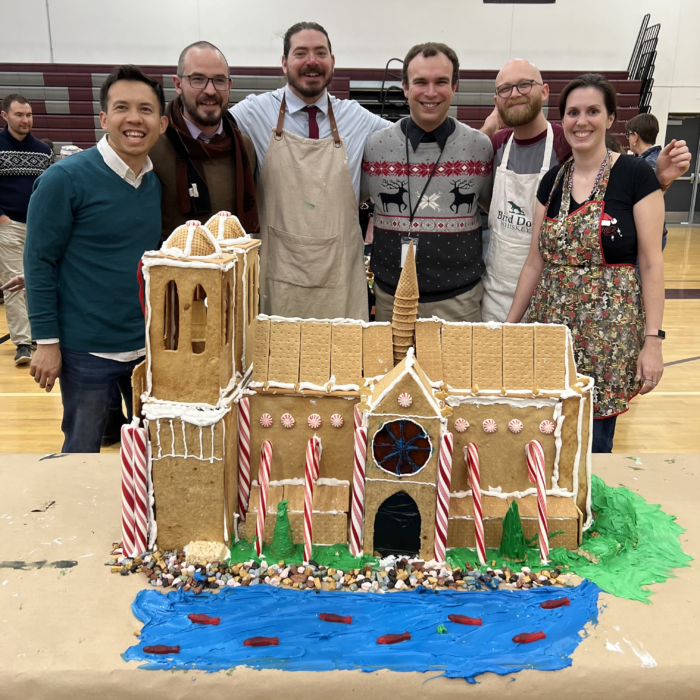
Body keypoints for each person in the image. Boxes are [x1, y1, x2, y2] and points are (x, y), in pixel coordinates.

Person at [506, 74, 666, 454]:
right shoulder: (552, 182)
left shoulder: (635, 175)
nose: (582, 121)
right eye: (573, 112)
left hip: (609, 340)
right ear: (563, 121)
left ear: (610, 118)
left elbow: (651, 264)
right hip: (550, 332)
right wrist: (509, 327)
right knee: (543, 434)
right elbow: (534, 262)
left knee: (592, 447)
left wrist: (653, 342)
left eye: (593, 111)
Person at [24, 65, 168, 453]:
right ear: (104, 118)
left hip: (144, 349)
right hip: (85, 351)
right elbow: (39, 261)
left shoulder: (154, 183)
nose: (134, 119)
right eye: (122, 107)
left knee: (150, 452)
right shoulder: (64, 179)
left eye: (146, 109)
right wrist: (46, 342)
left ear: (162, 123)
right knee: (82, 451)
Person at [480, 59, 691, 322]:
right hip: (499, 291)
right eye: (505, 89)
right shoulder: (497, 146)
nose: (515, 94)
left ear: (544, 91)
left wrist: (658, 180)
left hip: (569, 305)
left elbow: (620, 195)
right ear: (496, 99)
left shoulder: (568, 143)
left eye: (524, 85)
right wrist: (488, 128)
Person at [230, 21, 391, 321]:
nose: (312, 61)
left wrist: (484, 131)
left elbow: (408, 142)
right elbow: (204, 131)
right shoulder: (253, 112)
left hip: (340, 280)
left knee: (342, 363)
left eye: (320, 53)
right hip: (278, 281)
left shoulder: (357, 118)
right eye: (301, 53)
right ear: (284, 63)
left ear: (332, 61)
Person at [362, 42, 492, 322]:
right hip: (390, 301)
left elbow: (497, 213)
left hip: (460, 303)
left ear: (455, 86)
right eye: (420, 82)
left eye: (441, 82)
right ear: (406, 88)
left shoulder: (480, 147)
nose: (430, 92)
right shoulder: (375, 147)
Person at [149, 41, 259, 245]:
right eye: (197, 79)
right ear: (178, 84)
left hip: (231, 272)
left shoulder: (244, 148)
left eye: (219, 80)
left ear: (229, 86)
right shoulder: (153, 146)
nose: (210, 91)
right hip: (173, 274)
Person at [0, 94, 52, 365]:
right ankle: (22, 342)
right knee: (13, 284)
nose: (25, 120)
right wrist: (2, 218)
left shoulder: (43, 151)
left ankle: (40, 336)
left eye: (29, 115)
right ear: (5, 116)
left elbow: (50, 190)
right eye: (19, 114)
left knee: (39, 281)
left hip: (38, 226)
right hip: (8, 226)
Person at [626, 113, 668, 250]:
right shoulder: (645, 160)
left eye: (629, 135)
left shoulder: (650, 164)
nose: (628, 139)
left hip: (648, 233)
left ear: (635, 137)